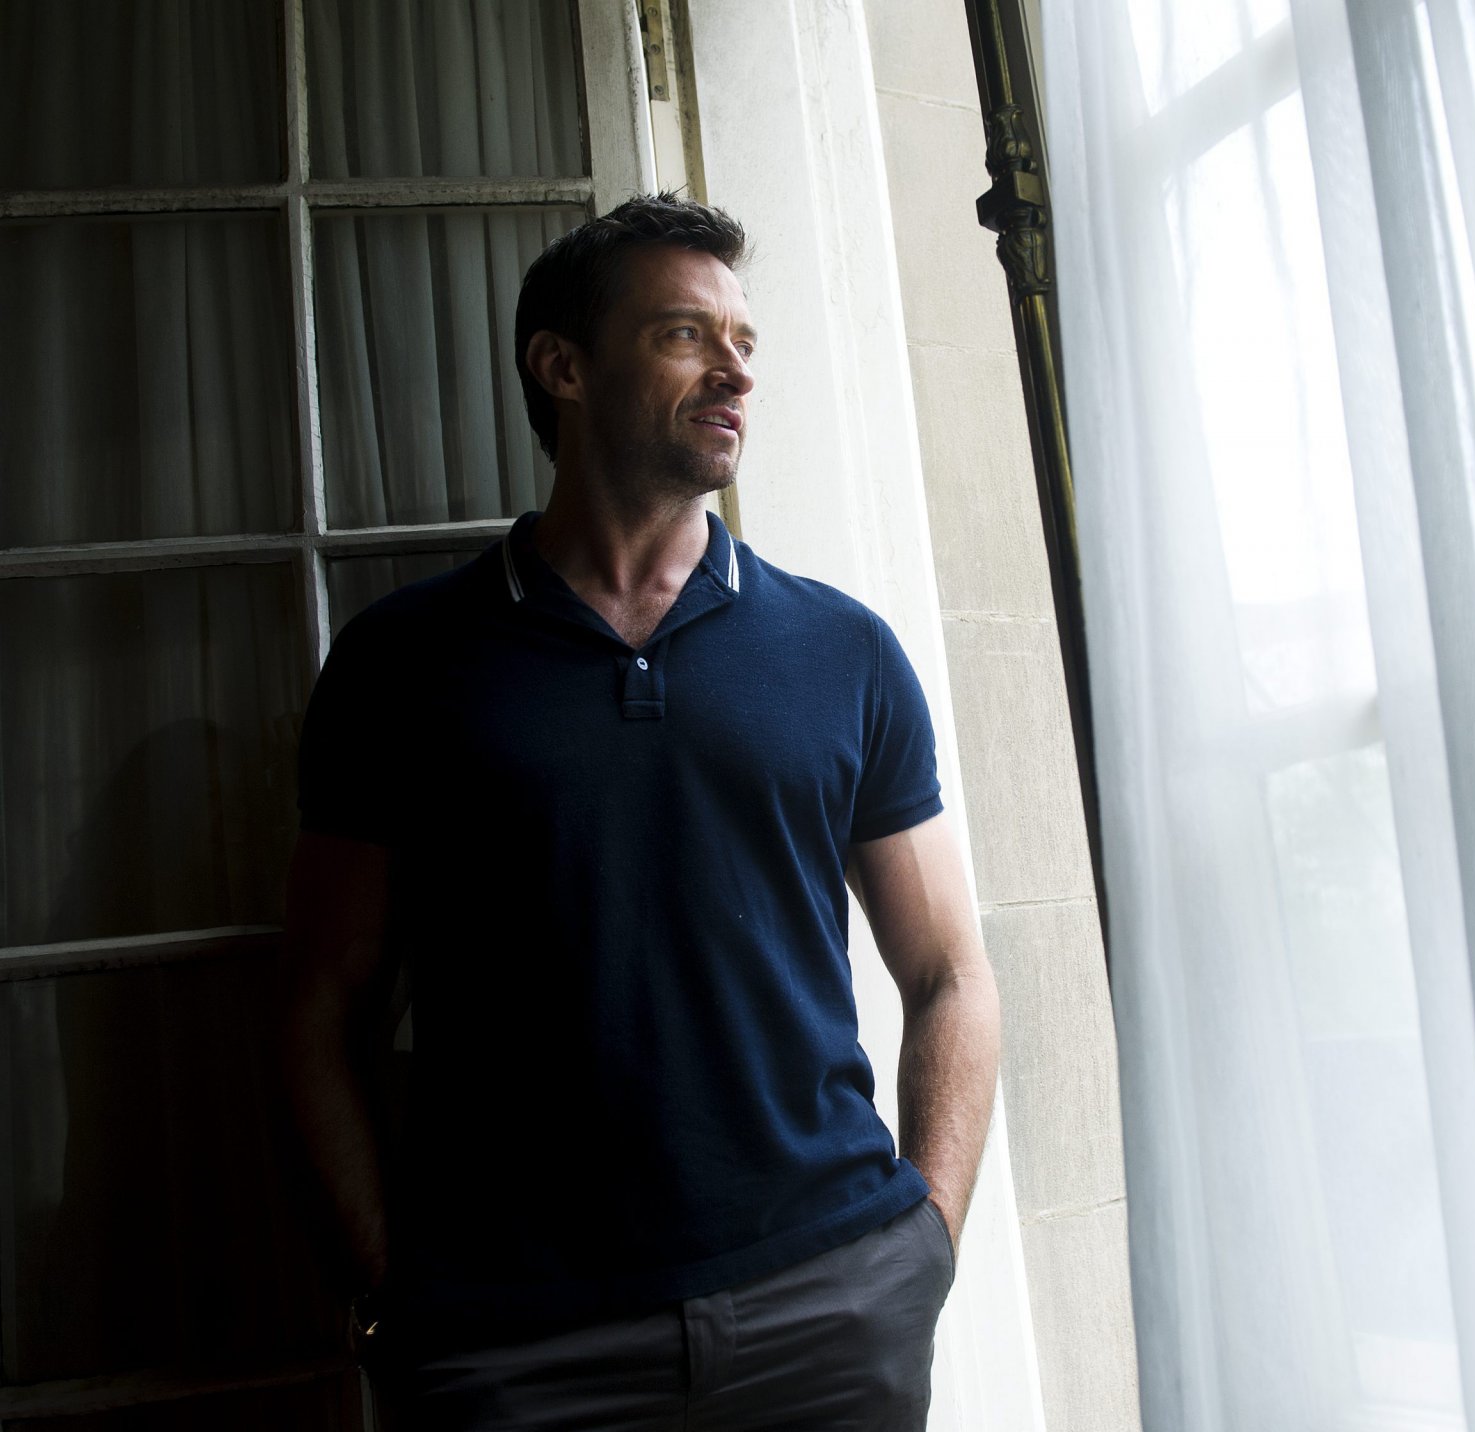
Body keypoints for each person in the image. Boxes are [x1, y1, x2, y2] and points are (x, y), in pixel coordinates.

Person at [281, 191, 1001, 1431]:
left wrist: (921, 1245)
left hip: (830, 1309)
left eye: (744, 340)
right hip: (516, 1347)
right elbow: (320, 1007)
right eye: (684, 333)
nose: (736, 368)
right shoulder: (401, 664)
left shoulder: (846, 651)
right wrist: (390, 1294)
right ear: (562, 368)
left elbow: (950, 973)